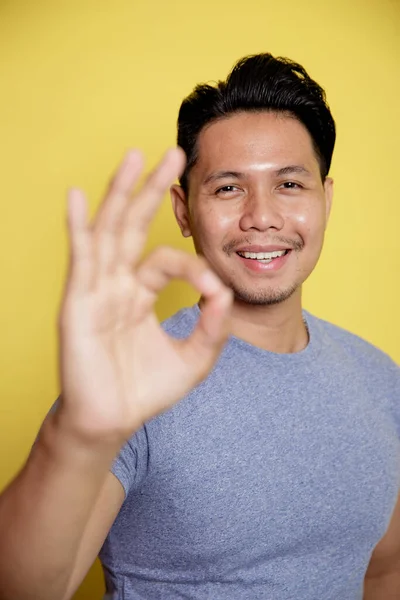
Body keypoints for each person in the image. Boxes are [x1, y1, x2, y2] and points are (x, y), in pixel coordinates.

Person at [0, 53, 399, 600]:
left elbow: (382, 573)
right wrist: (76, 437)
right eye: (228, 188)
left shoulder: (381, 380)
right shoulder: (132, 381)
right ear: (184, 210)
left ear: (324, 199)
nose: (262, 216)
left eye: (289, 184)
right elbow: (24, 588)